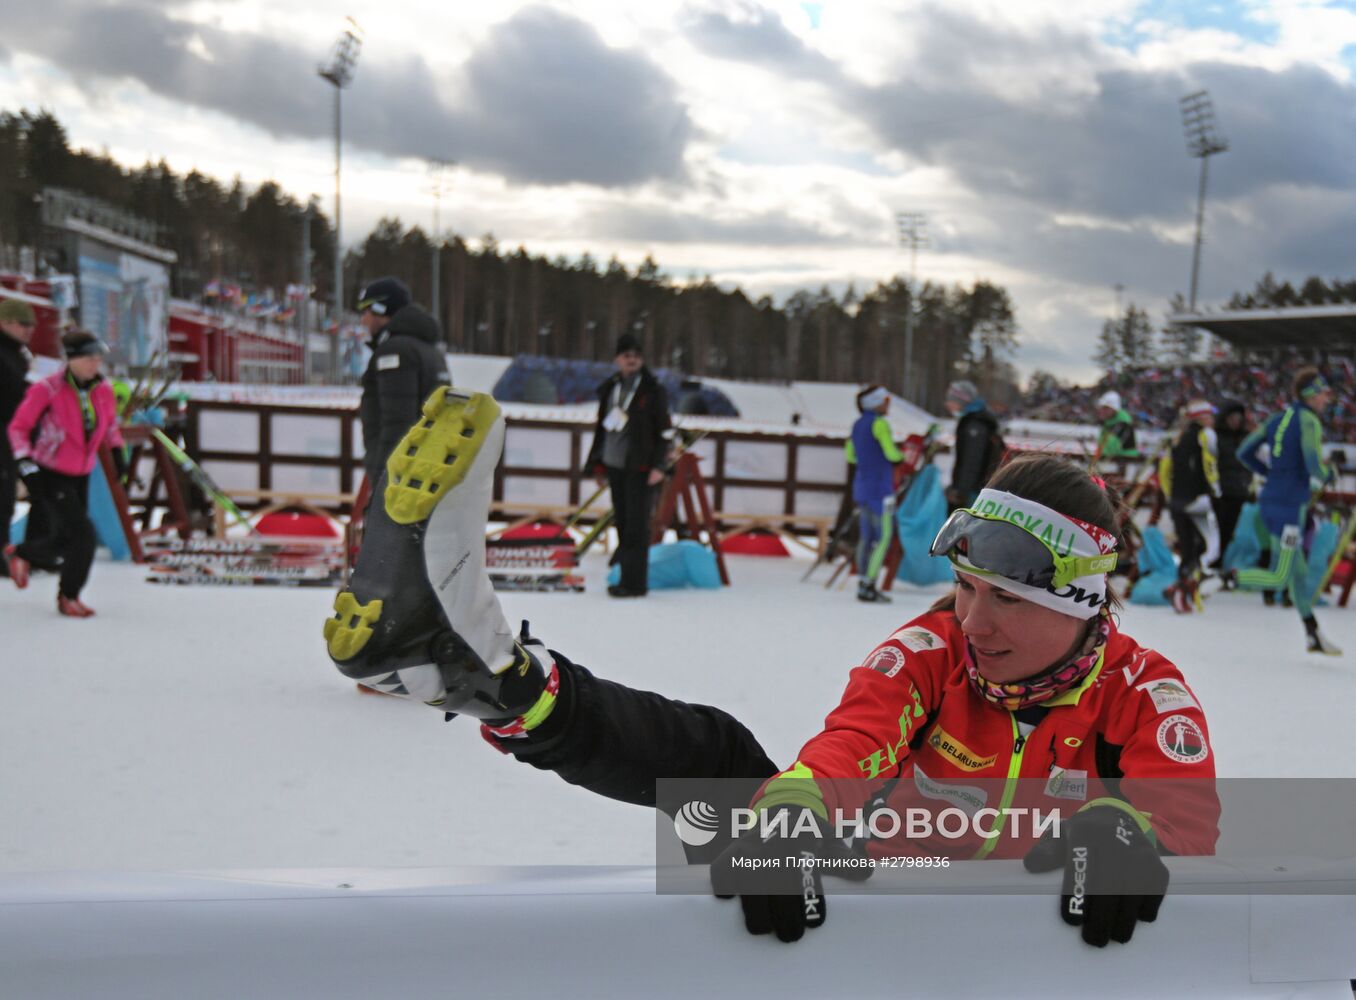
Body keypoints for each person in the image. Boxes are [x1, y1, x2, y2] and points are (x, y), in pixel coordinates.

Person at [324, 391, 1218, 950]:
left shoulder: (1145, 694)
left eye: (1009, 603)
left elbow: (1187, 816)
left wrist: (1129, 838)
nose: (973, 620)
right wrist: (793, 815)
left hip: (1040, 954)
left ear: (1082, 606)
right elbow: (850, 746)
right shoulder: (930, 653)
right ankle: (511, 687)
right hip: (876, 924)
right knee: (731, 769)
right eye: (965, 587)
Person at [5, 330, 126, 616]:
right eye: (87, 358)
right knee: (84, 534)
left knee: (65, 539)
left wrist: (117, 452)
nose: (94, 364)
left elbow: (109, 425)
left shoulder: (103, 390)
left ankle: (21, 553)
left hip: (80, 472)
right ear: (70, 359)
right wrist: (26, 464)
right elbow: (17, 428)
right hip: (49, 472)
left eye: (97, 359)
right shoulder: (47, 389)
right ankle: (69, 597)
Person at [1230, 368, 1341, 655]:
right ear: (1311, 395)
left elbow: (1244, 452)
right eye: (1324, 394)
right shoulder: (1308, 421)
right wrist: (1329, 474)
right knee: (1281, 576)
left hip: (1271, 501)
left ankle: (1312, 633)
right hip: (1291, 509)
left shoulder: (1278, 418)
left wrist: (1269, 472)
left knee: (1298, 573)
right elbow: (1315, 464)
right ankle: (1224, 578)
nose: (1326, 400)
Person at [583, 334, 670, 598]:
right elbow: (602, 429)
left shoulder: (652, 390)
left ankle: (635, 584)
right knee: (622, 523)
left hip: (642, 468)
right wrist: (597, 465)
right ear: (617, 359)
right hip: (615, 465)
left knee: (637, 526)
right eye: (625, 354)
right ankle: (625, 577)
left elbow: (665, 431)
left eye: (635, 354)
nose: (630, 359)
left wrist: (659, 466)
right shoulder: (611, 388)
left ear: (641, 359)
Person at [354, 277, 450, 487]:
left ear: (380, 309)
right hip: (426, 474)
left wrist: (384, 482)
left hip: (403, 481)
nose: (363, 320)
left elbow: (397, 425)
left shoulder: (395, 352)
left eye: (366, 311)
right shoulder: (430, 351)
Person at [1158, 399, 1220, 613]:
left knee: (1186, 547)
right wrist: (1216, 488)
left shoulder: (1176, 438)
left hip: (1177, 500)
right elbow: (1209, 464)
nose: (1213, 419)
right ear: (1201, 417)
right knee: (1207, 547)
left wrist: (1170, 494)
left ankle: (1181, 588)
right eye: (1210, 415)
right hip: (1198, 498)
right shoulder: (1206, 435)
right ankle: (1186, 590)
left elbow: (1164, 470)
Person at [846, 385, 903, 603]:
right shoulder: (880, 424)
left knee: (866, 537)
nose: (888, 404)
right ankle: (870, 584)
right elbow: (892, 453)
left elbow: (851, 455)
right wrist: (898, 457)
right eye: (885, 400)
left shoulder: (857, 424)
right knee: (884, 537)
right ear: (876, 403)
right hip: (881, 490)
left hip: (862, 488)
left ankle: (862, 581)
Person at [0, 298, 36, 577]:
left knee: (7, 493)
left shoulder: (15, 353)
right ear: (6, 323)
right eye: (24, 324)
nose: (30, 330)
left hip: (9, 432)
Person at [943, 379, 1004, 511]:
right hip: (976, 487)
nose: (947, 404)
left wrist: (961, 491)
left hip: (975, 490)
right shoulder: (974, 420)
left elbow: (972, 460)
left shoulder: (975, 425)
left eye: (951, 400)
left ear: (962, 401)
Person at [1212, 399, 1252, 566]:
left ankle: (1223, 561)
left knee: (1231, 530)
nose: (1236, 422)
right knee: (1217, 529)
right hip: (1221, 492)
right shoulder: (1215, 437)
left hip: (1240, 492)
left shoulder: (1246, 438)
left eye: (1238, 418)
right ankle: (1214, 560)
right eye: (1232, 418)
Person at [1094, 390, 1139, 463]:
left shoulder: (1123, 424)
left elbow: (1111, 448)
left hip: (1126, 462)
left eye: (1106, 408)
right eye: (1102, 408)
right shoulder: (1108, 423)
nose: (1102, 411)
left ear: (1114, 409)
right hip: (1113, 462)